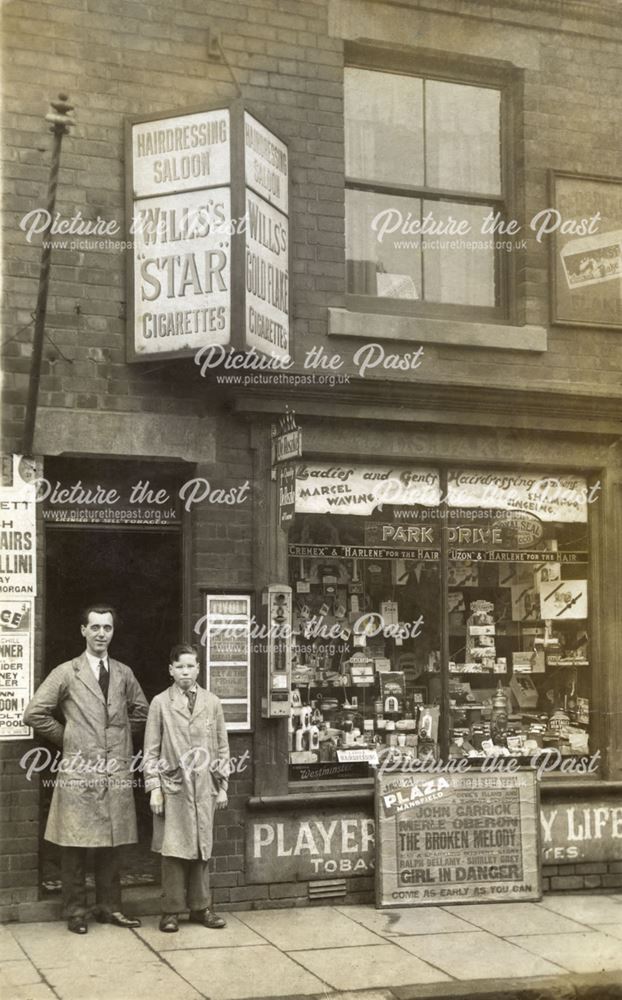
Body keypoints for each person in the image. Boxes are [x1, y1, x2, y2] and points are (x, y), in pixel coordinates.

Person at [23, 604, 149, 934]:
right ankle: (76, 911)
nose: (101, 634)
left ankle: (110, 907)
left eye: (107, 628)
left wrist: (117, 738)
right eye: (95, 627)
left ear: (112, 632)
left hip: (114, 772)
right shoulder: (67, 672)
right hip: (79, 770)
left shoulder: (123, 673)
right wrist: (70, 738)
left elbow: (142, 712)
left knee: (111, 844)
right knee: (74, 845)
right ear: (83, 631)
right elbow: (35, 713)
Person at [143, 643, 230, 933]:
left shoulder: (212, 702)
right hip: (173, 787)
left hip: (205, 785)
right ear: (171, 670)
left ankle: (201, 908)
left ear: (198, 669)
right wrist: (154, 787)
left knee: (202, 847)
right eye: (180, 667)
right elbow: (151, 750)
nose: (185, 672)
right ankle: (170, 911)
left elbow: (221, 746)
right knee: (173, 849)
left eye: (190, 666)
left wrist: (223, 785)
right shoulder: (160, 703)